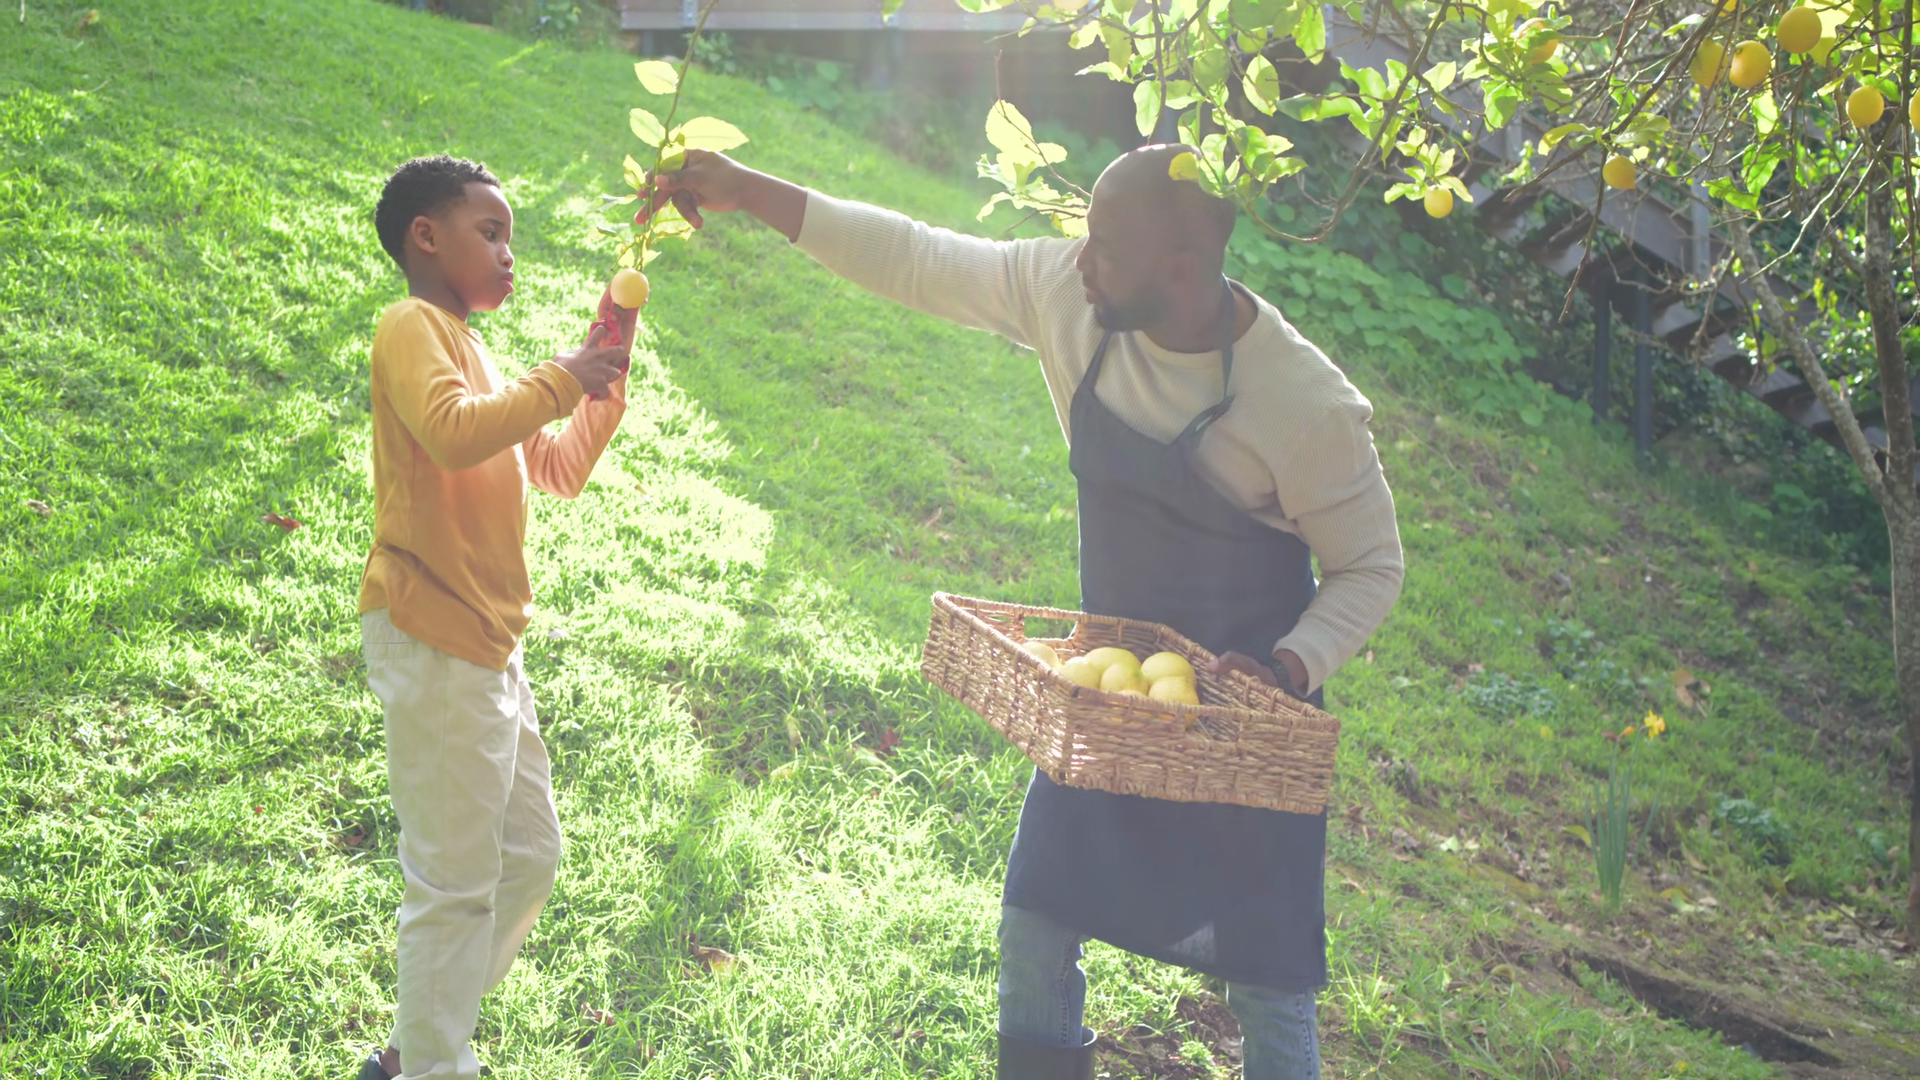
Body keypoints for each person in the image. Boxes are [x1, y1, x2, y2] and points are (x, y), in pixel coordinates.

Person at [643, 144, 1403, 1079]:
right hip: (1106, 701)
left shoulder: (1303, 403)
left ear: (1180, 266)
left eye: (1105, 247)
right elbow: (918, 257)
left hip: (1246, 730)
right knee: (1037, 922)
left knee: (1267, 985)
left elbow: (1371, 565)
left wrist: (1289, 666)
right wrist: (750, 190)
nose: (1079, 260)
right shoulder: (1072, 298)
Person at [355, 154, 635, 1080]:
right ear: (425, 237)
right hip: (434, 629)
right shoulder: (410, 326)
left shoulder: (472, 349)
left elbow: (553, 468)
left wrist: (598, 389)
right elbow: (450, 433)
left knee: (528, 857)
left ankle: (417, 1048)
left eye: (510, 236)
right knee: (454, 883)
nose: (509, 253)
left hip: (487, 644)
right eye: (491, 231)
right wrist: (559, 376)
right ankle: (434, 1067)